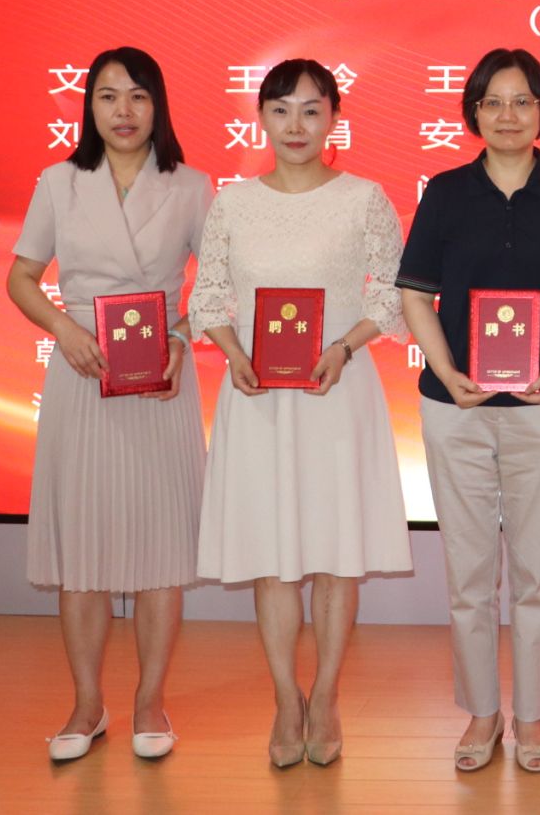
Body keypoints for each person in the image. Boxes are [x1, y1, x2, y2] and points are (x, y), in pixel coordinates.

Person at [192, 58, 411, 769]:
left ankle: (327, 695)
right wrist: (234, 352)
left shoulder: (365, 199)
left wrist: (345, 346)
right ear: (260, 117)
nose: (296, 125)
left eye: (312, 110)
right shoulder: (232, 203)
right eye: (281, 110)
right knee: (273, 557)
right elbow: (208, 296)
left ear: (334, 118)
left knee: (336, 554)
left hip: (334, 390)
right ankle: (286, 697)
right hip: (258, 395)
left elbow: (393, 295)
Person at [396, 48, 540, 775]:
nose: (508, 115)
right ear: (474, 113)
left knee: (537, 571)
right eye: (493, 102)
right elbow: (415, 293)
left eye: (522, 102)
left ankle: (532, 712)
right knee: (468, 571)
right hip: (454, 406)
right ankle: (483, 712)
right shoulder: (446, 192)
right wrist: (445, 371)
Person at [9, 47, 212, 763]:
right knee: (83, 550)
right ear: (88, 106)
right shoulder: (60, 182)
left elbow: (220, 286)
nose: (123, 111)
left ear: (158, 105)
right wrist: (63, 328)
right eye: (107, 96)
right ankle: (87, 704)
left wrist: (180, 340)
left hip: (160, 379)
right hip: (82, 371)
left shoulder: (191, 185)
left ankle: (150, 700)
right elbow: (22, 276)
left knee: (160, 549)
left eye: (138, 96)